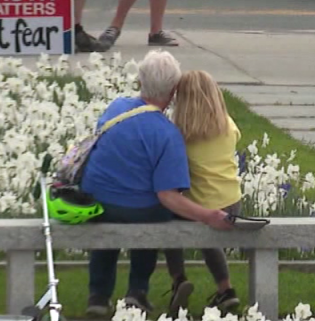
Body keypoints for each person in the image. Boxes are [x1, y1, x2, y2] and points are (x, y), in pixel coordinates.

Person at [81, 51, 233, 318]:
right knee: (155, 212)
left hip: (97, 200)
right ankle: (137, 291)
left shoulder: (115, 108)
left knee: (111, 222)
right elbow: (168, 196)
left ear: (140, 81)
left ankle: (98, 296)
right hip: (139, 210)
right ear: (173, 91)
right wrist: (209, 215)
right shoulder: (167, 133)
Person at [167, 70, 245, 312]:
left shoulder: (180, 133)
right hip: (233, 202)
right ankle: (225, 288)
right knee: (210, 236)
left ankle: (178, 278)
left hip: (203, 207)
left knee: (169, 219)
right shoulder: (228, 125)